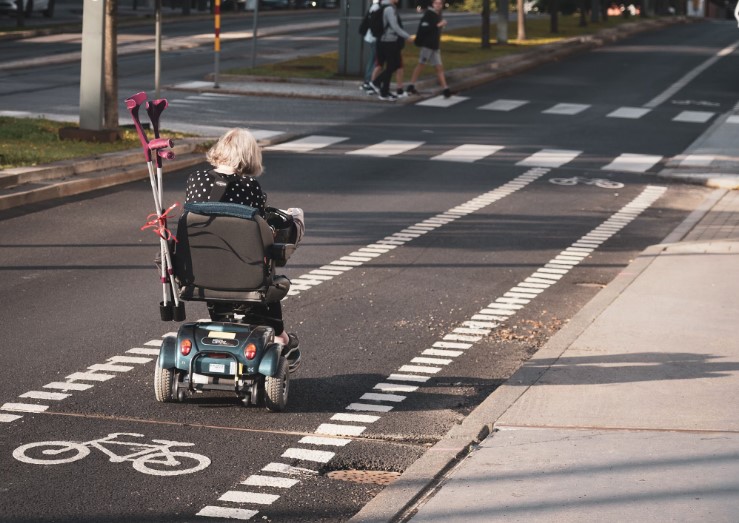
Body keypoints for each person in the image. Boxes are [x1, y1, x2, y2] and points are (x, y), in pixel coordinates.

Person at [184, 128, 301, 349]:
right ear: (249, 156)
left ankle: (222, 316)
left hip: (203, 268)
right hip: (244, 268)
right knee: (272, 250)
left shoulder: (195, 179)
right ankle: (279, 335)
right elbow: (258, 225)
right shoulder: (249, 186)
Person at [369, 0, 413, 101]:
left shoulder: (386, 7)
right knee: (392, 66)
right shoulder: (389, 9)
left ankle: (383, 90)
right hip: (388, 42)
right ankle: (379, 86)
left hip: (386, 41)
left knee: (394, 65)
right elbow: (395, 26)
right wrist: (407, 37)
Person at [405, 0, 451, 98]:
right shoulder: (429, 15)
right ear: (433, 4)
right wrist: (439, 25)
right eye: (436, 3)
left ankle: (445, 89)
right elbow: (425, 28)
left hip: (435, 46)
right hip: (427, 45)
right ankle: (411, 85)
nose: (438, 5)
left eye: (440, 3)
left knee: (439, 67)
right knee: (421, 64)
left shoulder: (437, 15)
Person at [360, 0, 381, 94]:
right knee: (374, 60)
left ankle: (368, 80)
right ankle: (368, 81)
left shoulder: (375, 6)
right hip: (373, 38)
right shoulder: (376, 7)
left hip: (371, 37)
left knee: (373, 59)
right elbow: (373, 22)